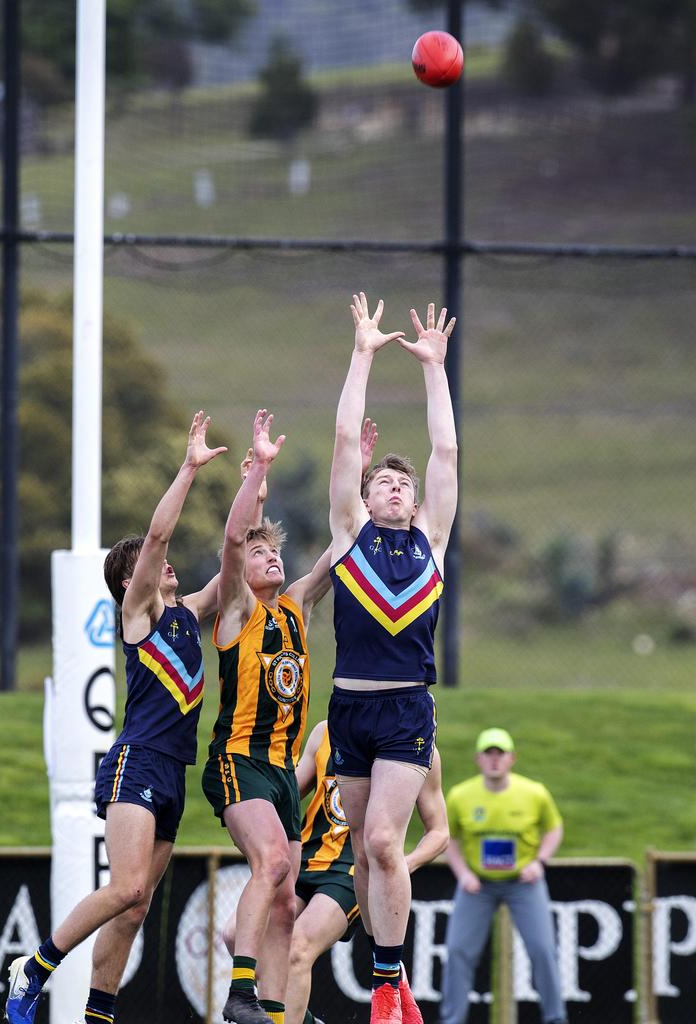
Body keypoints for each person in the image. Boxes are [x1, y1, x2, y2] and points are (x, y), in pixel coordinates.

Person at [5, 411, 228, 1024]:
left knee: (134, 910)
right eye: (153, 564)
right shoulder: (140, 615)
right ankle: (38, 965)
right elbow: (155, 540)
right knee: (126, 887)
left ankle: (96, 1016)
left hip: (173, 772)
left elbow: (232, 563)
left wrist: (255, 476)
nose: (167, 564)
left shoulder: (188, 612)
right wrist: (187, 469)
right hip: (137, 763)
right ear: (133, 580)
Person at [327, 293, 458, 1024]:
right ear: (367, 496)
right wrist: (364, 352)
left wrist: (434, 369)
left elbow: (445, 453)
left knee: (385, 841)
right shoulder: (349, 537)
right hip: (349, 708)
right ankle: (397, 987)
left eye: (403, 484)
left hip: (407, 705)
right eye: (385, 480)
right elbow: (347, 439)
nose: (395, 485)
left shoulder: (432, 542)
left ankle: (383, 987)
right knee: (364, 858)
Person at [201, 409, 333, 1024]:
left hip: (282, 772)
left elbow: (339, 553)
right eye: (259, 554)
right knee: (273, 865)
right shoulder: (237, 612)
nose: (268, 559)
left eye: (272, 551)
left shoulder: (297, 607)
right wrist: (257, 470)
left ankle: (274, 1015)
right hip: (239, 761)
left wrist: (365, 499)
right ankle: (240, 993)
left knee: (287, 906)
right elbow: (231, 542)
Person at [222, 719, 449, 1024]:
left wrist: (397, 867)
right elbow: (290, 793)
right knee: (235, 934)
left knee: (297, 949)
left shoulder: (418, 747)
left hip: (352, 870)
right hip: (302, 858)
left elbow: (439, 832)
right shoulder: (326, 731)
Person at [441, 728, 567, 1024]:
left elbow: (554, 828)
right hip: (478, 886)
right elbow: (449, 837)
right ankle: (451, 1020)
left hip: (523, 884)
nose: (495, 760)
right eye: (489, 754)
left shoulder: (534, 793)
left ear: (512, 758)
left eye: (501, 754)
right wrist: (462, 874)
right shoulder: (461, 795)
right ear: (478, 759)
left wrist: (540, 862)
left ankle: (556, 1018)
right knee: (458, 950)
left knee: (543, 949)